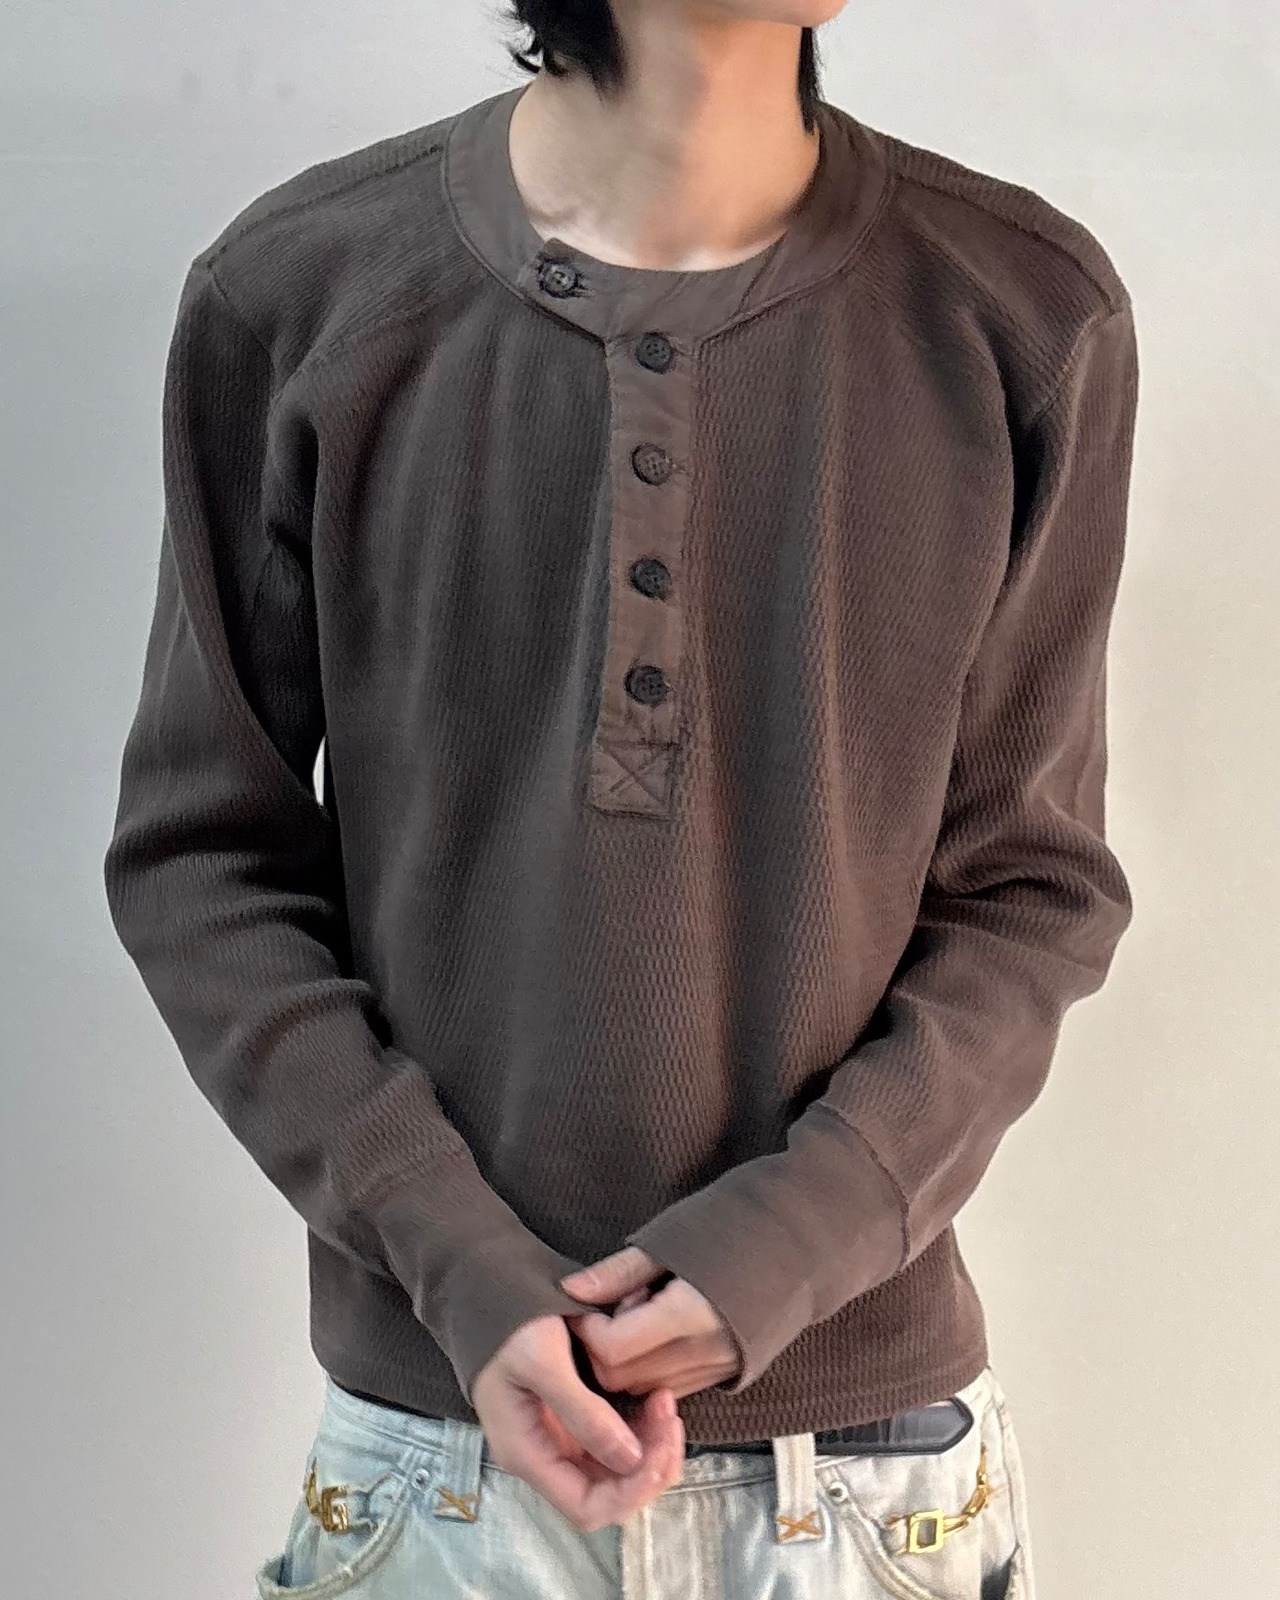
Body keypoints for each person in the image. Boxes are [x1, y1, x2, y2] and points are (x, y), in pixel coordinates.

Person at [103, 1, 1139, 1595]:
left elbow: (1031, 888)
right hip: (442, 1457)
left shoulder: (1021, 311)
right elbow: (202, 859)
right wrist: (451, 1254)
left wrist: (791, 1241)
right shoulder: (300, 292)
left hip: (866, 1481)